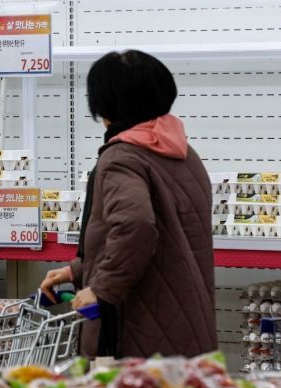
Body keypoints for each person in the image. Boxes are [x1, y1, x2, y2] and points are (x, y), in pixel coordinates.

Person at [39, 50, 216, 359]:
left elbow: (137, 227)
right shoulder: (185, 154)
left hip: (139, 338)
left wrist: (101, 288)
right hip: (188, 331)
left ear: (105, 105)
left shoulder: (121, 157)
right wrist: (77, 270)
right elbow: (164, 239)